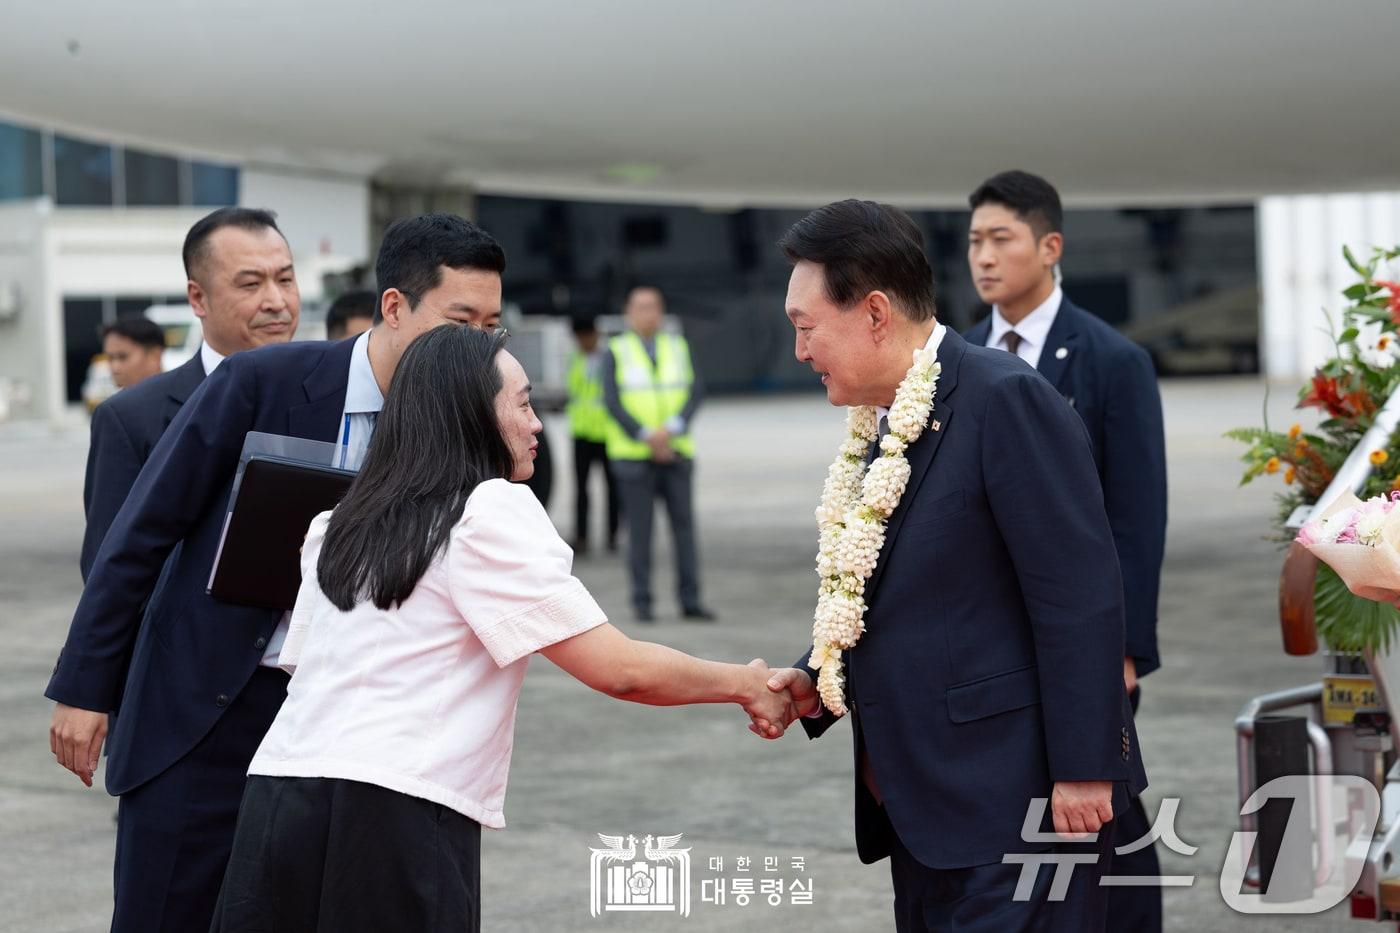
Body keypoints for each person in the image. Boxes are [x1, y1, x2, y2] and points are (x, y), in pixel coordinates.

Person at [209, 324, 794, 932]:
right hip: (396, 810)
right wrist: (747, 684)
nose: (537, 422)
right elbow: (620, 671)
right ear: (470, 414)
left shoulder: (336, 523)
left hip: (277, 799)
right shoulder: (487, 508)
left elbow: (308, 668)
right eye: (521, 403)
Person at [46, 213, 505, 933]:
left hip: (347, 733)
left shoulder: (465, 424)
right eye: (460, 320)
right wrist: (86, 688)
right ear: (395, 306)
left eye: (491, 325)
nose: (478, 345)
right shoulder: (264, 381)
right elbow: (139, 537)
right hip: (208, 715)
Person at [757, 200, 1146, 932]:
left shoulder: (1004, 399)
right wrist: (817, 673)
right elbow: (904, 587)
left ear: (874, 312)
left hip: (1017, 804)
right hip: (925, 809)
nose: (801, 351)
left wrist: (1088, 766)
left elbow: (1079, 595)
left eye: (806, 328)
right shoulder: (890, 418)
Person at [961, 169, 1168, 930]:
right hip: (992, 629)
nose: (983, 257)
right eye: (975, 241)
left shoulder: (1111, 361)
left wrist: (1127, 647)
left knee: (1101, 787)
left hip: (1082, 624)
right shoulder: (955, 355)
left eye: (1001, 239)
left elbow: (1138, 518)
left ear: (1050, 247)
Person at [81, 207, 300, 580]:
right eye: (250, 284)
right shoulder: (131, 418)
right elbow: (109, 573)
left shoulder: (333, 394)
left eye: (285, 280)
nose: (276, 302)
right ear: (198, 298)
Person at [602, 286, 714, 622]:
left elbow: (695, 392)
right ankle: (642, 602)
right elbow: (612, 401)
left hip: (676, 452)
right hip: (634, 456)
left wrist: (671, 430)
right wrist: (647, 435)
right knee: (640, 532)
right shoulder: (616, 350)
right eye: (640, 307)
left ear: (661, 311)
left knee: (684, 529)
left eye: (652, 307)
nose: (647, 313)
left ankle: (690, 600)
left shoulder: (677, 347)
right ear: (628, 313)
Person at [566, 315, 619, 553]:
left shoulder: (611, 358)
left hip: (607, 434)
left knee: (613, 488)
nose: (582, 342)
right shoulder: (575, 359)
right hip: (582, 433)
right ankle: (581, 536)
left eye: (585, 337)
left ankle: (613, 535)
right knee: (581, 489)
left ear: (595, 334)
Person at [101, 316, 165, 389]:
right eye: (110, 358)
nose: (115, 368)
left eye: (123, 357)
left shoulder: (178, 396)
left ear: (154, 356)